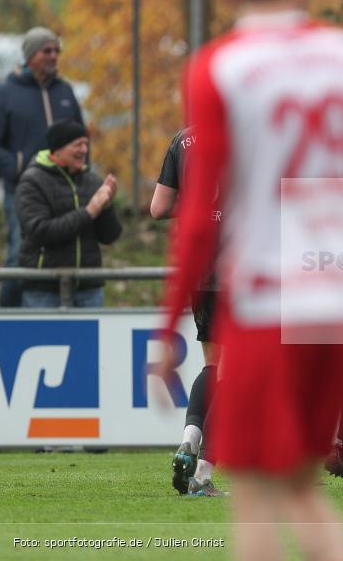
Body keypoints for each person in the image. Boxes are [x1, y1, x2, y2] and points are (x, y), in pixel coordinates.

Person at [156, 0, 343, 559]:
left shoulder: (222, 65)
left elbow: (194, 220)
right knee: (298, 485)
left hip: (268, 297)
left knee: (257, 495)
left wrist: (165, 322)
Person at [150, 128, 223, 496]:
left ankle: (189, 441)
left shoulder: (183, 139)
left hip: (201, 270)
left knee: (214, 366)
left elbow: (159, 207)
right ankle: (204, 474)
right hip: (243, 267)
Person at [0, 26, 84, 307]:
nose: (54, 56)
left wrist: (85, 171)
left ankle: (59, 311)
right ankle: (8, 317)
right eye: (47, 50)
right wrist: (16, 167)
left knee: (64, 252)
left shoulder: (65, 91)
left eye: (57, 50)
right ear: (30, 54)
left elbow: (81, 134)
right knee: (18, 255)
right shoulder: (6, 91)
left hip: (65, 187)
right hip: (22, 189)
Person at [16, 120, 120, 307]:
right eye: (77, 144)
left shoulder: (91, 179)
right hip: (44, 290)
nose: (84, 150)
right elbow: (40, 231)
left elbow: (109, 236)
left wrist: (106, 205)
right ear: (58, 148)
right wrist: (89, 211)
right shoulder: (32, 182)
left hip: (89, 289)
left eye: (86, 144)